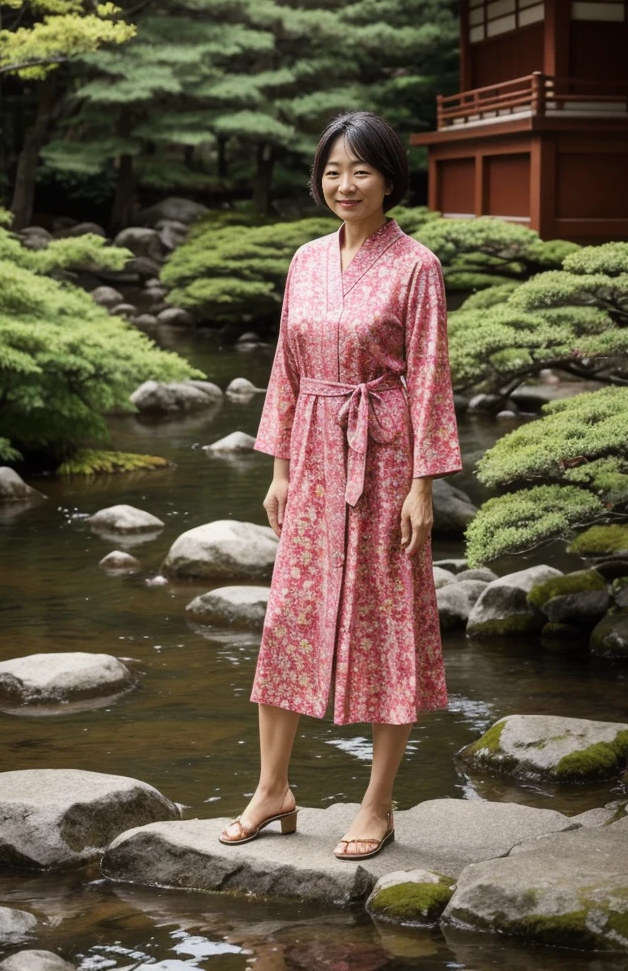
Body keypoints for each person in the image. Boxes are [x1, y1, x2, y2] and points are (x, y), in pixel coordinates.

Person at [219, 110, 462, 859]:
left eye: (360, 170)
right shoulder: (304, 260)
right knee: (289, 616)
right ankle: (273, 790)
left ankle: (379, 804)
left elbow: (428, 379)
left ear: (390, 177)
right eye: (332, 170)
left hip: (384, 459)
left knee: (390, 622)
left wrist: (424, 486)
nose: (344, 184)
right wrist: (280, 467)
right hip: (314, 455)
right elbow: (286, 369)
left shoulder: (417, 266)